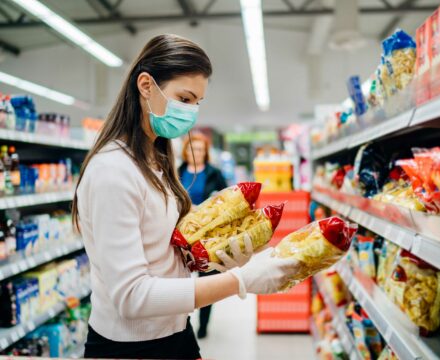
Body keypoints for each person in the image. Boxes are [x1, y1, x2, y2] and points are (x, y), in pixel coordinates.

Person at [72, 34, 299, 360]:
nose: (191, 113)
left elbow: (164, 251)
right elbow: (133, 297)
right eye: (184, 98)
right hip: (130, 348)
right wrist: (241, 281)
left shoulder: (155, 159)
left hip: (176, 335)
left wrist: (222, 251)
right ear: (146, 85)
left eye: (197, 103)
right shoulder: (112, 171)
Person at [178, 132, 227, 339]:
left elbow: (227, 200)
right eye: (192, 148)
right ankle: (182, 322)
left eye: (199, 149)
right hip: (182, 234)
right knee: (181, 280)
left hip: (208, 236)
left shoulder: (215, 173)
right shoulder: (176, 171)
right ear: (185, 151)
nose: (195, 153)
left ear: (205, 153)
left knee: (206, 279)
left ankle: (203, 325)